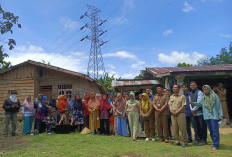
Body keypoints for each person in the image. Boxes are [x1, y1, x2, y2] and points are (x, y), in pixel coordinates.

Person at [192, 85, 223, 151]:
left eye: (207, 89)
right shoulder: (203, 97)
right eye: (204, 90)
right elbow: (199, 104)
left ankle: (216, 145)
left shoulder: (215, 96)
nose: (205, 91)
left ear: (209, 89)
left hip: (214, 116)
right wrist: (193, 103)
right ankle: (214, 143)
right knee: (211, 131)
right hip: (207, 116)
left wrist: (220, 115)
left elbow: (219, 105)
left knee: (215, 131)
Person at [190, 81, 207, 146]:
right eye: (191, 85)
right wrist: (192, 110)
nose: (192, 86)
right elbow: (190, 102)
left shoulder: (199, 92)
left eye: (193, 85)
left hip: (200, 113)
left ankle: (204, 139)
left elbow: (199, 103)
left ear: (196, 85)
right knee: (196, 127)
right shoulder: (190, 93)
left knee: (202, 126)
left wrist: (193, 110)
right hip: (193, 113)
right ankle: (198, 139)